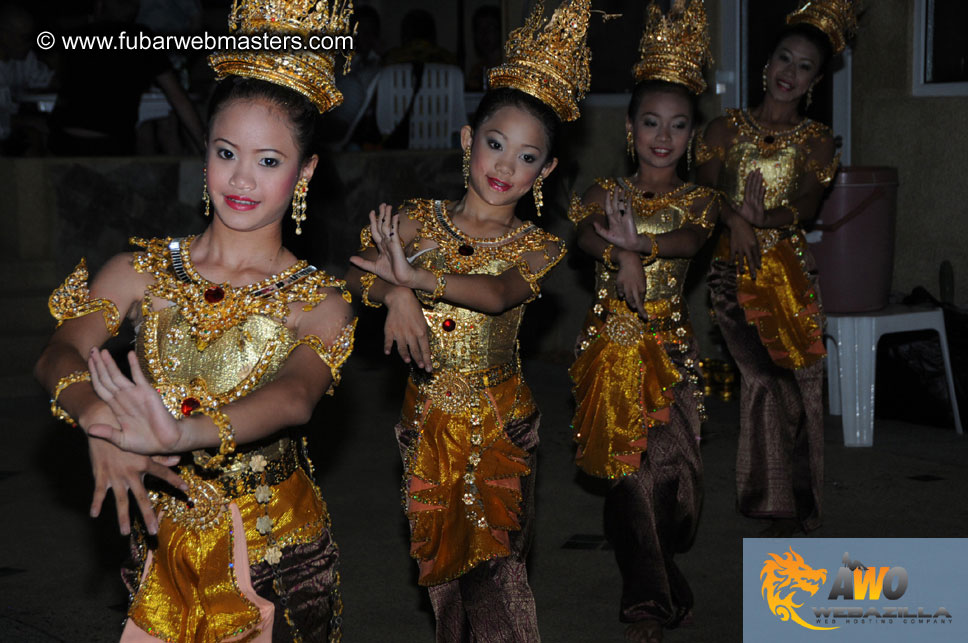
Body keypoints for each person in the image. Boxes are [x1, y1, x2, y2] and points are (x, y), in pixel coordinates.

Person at [33, 1, 356, 640]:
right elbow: (59, 352)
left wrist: (179, 436)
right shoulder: (140, 272)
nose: (242, 178)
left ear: (306, 172)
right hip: (162, 546)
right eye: (227, 152)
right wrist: (97, 417)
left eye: (269, 161)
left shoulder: (318, 299)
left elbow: (294, 398)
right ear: (203, 150)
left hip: (272, 553)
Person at [344, 1, 592, 639]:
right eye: (495, 143)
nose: (506, 166)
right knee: (442, 571)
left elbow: (498, 293)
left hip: (502, 424)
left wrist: (418, 279)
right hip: (424, 420)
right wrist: (394, 295)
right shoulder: (416, 220)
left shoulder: (536, 245)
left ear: (547, 172)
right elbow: (351, 276)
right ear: (466, 140)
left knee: (499, 568)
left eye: (527, 157)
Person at [567, 3, 716, 641]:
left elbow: (687, 242)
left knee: (676, 489)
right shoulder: (607, 193)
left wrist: (641, 250)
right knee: (631, 478)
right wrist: (615, 249)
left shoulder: (701, 201)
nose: (663, 136)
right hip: (612, 353)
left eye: (678, 126)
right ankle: (647, 610)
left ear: (690, 136)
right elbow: (581, 237)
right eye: (651, 122)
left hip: (673, 357)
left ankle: (660, 572)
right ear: (631, 128)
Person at [694, 0, 857, 537]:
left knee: (803, 387)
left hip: (788, 275)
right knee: (766, 379)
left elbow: (809, 205)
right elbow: (703, 194)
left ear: (815, 79)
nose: (789, 73)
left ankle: (799, 503)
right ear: (767, 64)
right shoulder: (723, 129)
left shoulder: (816, 140)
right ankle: (773, 504)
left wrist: (768, 217)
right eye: (783, 59)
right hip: (731, 274)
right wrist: (736, 218)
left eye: (803, 66)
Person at [49, 0, 204, 155]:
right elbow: (177, 96)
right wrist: (205, 147)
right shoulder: (142, 39)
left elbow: (55, 81)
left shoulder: (75, 37)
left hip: (64, 139)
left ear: (100, 6)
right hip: (111, 144)